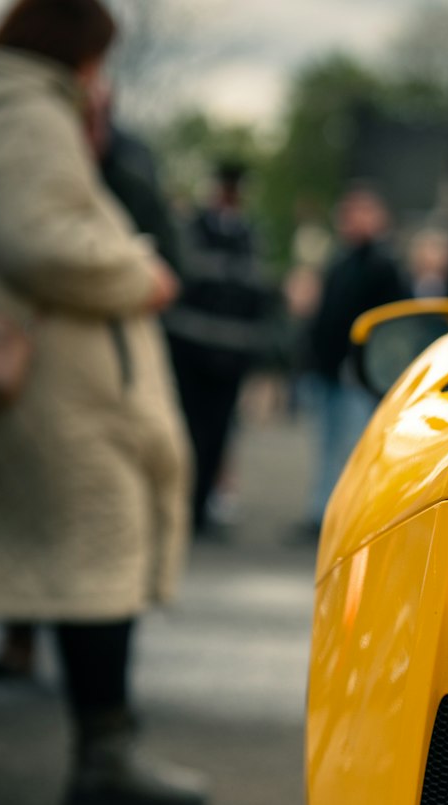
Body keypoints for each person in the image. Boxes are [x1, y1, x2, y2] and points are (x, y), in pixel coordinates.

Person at [0, 0, 206, 805]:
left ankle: (108, 747)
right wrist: (136, 274)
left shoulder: (15, 106)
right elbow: (37, 239)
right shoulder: (27, 113)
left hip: (56, 384)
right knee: (97, 553)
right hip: (60, 391)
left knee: (78, 553)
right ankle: (105, 756)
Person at [165, 161, 274, 535]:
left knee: (219, 432)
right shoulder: (192, 228)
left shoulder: (250, 235)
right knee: (189, 429)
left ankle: (201, 508)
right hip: (192, 349)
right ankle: (184, 505)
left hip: (232, 353)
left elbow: (259, 293)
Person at [296, 185, 407, 542]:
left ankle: (340, 519)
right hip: (330, 368)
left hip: (356, 373)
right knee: (329, 444)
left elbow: (394, 321)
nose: (353, 220)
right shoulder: (342, 260)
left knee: (348, 447)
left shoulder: (384, 265)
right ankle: (323, 513)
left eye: (361, 212)